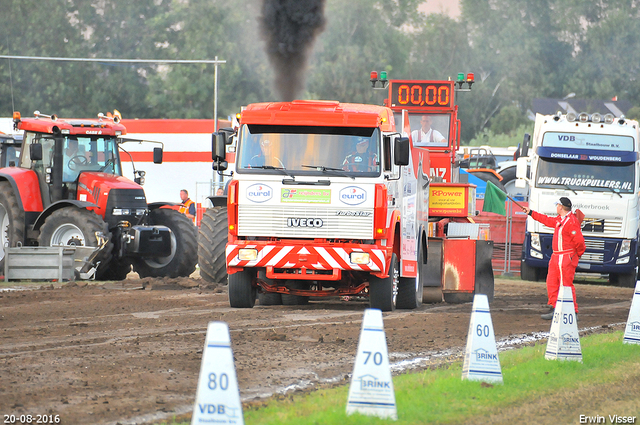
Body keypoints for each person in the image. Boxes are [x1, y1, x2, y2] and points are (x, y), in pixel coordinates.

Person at [523, 197, 585, 320]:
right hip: (557, 256)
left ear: (561, 207)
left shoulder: (571, 221)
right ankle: (555, 307)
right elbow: (546, 220)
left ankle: (573, 311)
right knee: (552, 283)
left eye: (557, 205)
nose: (556, 207)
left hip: (565, 256)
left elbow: (579, 242)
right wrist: (531, 213)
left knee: (566, 284)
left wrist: (575, 255)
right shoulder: (562, 220)